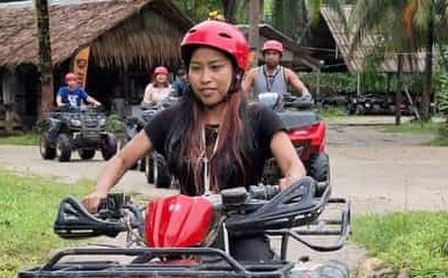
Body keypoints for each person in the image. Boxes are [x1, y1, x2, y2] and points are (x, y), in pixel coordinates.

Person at [82, 20, 306, 262]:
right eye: (196, 68)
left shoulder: (259, 117)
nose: (205, 78)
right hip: (182, 231)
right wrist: (100, 191)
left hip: (244, 230)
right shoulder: (171, 119)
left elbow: (294, 164)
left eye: (215, 67)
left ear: (236, 71)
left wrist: (292, 181)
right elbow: (123, 159)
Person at [242, 39, 310, 101]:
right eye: (268, 54)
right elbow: (243, 90)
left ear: (280, 56)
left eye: (274, 54)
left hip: (281, 112)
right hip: (259, 112)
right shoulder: (253, 73)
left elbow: (302, 88)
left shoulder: (287, 73)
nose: (271, 57)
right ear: (264, 56)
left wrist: (306, 94)